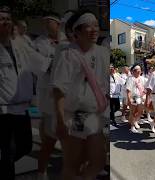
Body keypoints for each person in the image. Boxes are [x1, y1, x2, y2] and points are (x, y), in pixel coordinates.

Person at [50, 10, 106, 180]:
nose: (94, 29)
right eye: (88, 26)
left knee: (98, 161)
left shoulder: (102, 53)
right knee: (72, 164)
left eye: (96, 25)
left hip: (94, 116)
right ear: (77, 32)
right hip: (74, 117)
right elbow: (59, 90)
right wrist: (60, 122)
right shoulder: (68, 55)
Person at [0, 6, 49, 179]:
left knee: (25, 145)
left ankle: (4, 166)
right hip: (3, 110)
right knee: (6, 150)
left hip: (22, 108)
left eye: (7, 18)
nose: (5, 21)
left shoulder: (21, 44)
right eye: (1, 18)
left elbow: (41, 64)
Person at [34, 11, 66, 179]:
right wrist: (55, 62)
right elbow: (37, 66)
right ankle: (41, 172)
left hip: (69, 98)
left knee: (71, 140)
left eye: (49, 22)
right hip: (49, 98)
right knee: (48, 140)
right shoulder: (40, 42)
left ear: (58, 24)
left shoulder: (68, 41)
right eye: (45, 22)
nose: (46, 25)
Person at [126, 65, 147, 133]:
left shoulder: (143, 78)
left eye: (139, 69)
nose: (138, 71)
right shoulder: (130, 79)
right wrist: (129, 99)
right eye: (136, 70)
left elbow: (146, 87)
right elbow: (128, 90)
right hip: (133, 97)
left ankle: (134, 121)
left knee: (141, 111)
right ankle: (132, 126)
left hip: (141, 97)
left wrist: (145, 93)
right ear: (133, 71)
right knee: (133, 112)